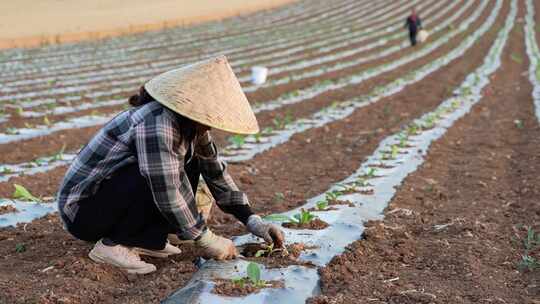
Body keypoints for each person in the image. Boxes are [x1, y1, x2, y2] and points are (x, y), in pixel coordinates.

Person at [56, 56, 285, 274]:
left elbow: (215, 172)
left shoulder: (192, 126)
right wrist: (205, 238)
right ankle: (113, 245)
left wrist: (252, 219)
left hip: (111, 201)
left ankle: (145, 237)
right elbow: (166, 188)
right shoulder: (157, 124)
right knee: (157, 174)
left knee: (192, 163)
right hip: (84, 213)